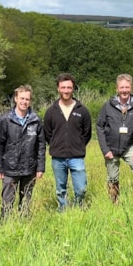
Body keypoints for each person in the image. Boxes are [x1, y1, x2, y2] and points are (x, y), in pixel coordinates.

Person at [0, 85, 46, 218]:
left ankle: (24, 226)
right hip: (10, 168)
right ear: (16, 99)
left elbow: (41, 145)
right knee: (7, 201)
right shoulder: (5, 119)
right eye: (21, 98)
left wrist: (40, 167)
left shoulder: (36, 120)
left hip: (30, 167)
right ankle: (5, 225)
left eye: (27, 99)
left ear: (30, 101)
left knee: (26, 201)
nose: (24, 102)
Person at [96, 73, 133, 203]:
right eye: (122, 87)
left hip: (129, 147)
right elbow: (99, 127)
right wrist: (105, 149)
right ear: (117, 88)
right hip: (111, 148)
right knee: (112, 178)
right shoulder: (108, 105)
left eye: (127, 87)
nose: (124, 90)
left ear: (131, 88)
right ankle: (114, 203)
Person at [44, 73, 92, 211]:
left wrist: (78, 145)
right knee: (60, 188)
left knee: (81, 188)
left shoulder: (82, 110)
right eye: (63, 87)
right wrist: (55, 144)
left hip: (76, 156)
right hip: (58, 157)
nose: (66, 90)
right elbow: (47, 133)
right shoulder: (51, 111)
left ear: (73, 89)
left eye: (69, 87)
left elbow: (87, 133)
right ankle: (63, 210)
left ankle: (77, 208)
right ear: (58, 89)